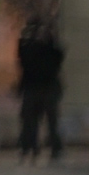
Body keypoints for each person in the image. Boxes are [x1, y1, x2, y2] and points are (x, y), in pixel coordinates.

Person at [16, 23, 65, 163]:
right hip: (42, 88)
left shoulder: (35, 50)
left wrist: (30, 34)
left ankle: (31, 147)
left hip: (37, 88)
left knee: (34, 121)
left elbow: (22, 53)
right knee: (45, 121)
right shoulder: (48, 51)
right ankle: (36, 147)